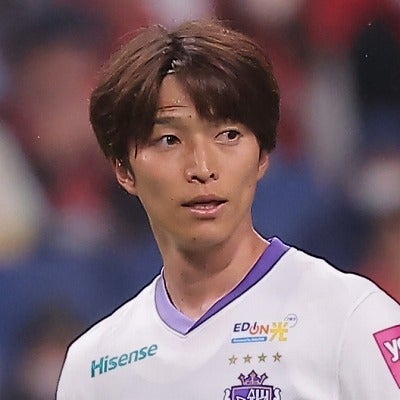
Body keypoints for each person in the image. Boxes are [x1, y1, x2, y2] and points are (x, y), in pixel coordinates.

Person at [57, 20, 400, 399]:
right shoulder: (94, 366)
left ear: (263, 155)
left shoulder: (351, 320)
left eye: (229, 135)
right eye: (169, 140)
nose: (203, 168)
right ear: (123, 168)